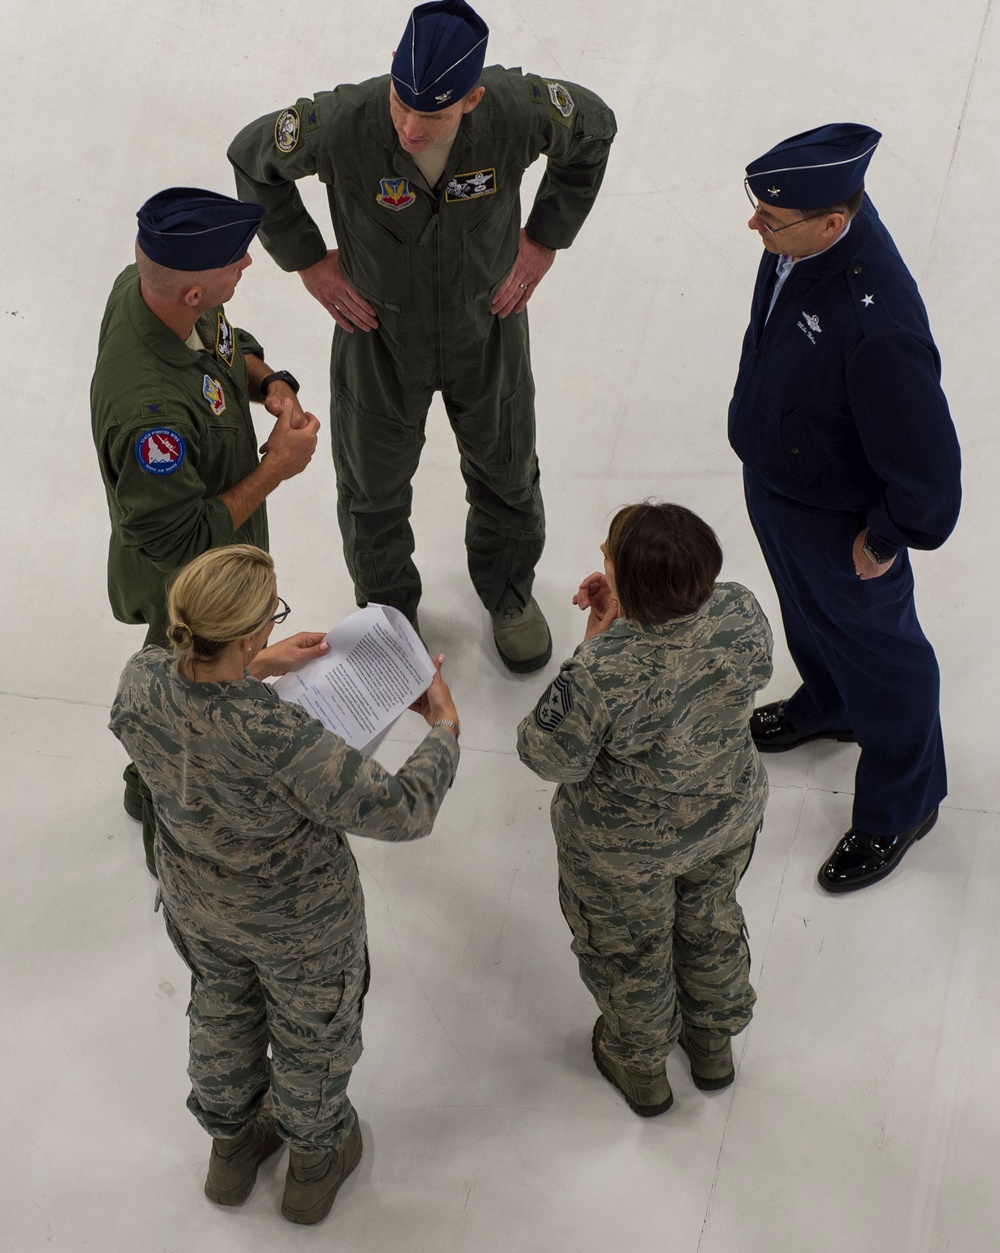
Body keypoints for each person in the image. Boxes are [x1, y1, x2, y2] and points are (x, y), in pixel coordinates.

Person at [228, 0, 617, 672]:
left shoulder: (515, 111)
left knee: (507, 476)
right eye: (402, 105)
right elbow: (252, 158)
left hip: (486, 326)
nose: (409, 127)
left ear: (471, 99)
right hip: (378, 335)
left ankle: (509, 593)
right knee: (372, 491)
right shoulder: (344, 122)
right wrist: (309, 262)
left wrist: (545, 240)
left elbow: (594, 130)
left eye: (431, 114)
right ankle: (387, 618)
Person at [109, 544, 461, 1224]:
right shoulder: (280, 736)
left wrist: (257, 666)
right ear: (246, 633)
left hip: (198, 901)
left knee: (222, 1011)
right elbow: (403, 808)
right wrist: (443, 725)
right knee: (312, 1037)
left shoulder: (139, 678)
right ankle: (313, 1165)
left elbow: (175, 712)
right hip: (300, 924)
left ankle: (232, 1150)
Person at [730, 123, 962, 893]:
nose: (755, 226)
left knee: (886, 660)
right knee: (808, 615)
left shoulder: (879, 325)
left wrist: (889, 535)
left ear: (835, 222)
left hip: (843, 523)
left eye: (770, 218)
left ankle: (904, 799)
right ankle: (832, 703)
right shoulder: (804, 237)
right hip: (785, 488)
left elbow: (931, 471)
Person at [91, 188, 321, 870]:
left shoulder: (151, 289)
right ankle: (161, 806)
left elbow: (224, 342)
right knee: (186, 691)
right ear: (189, 290)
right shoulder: (148, 418)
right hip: (190, 582)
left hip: (223, 540)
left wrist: (268, 382)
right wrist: (276, 467)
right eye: (233, 262)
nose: (247, 263)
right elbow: (181, 542)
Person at [516, 504, 772, 1116]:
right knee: (709, 920)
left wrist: (595, 646)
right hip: (726, 816)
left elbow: (545, 754)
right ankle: (711, 1044)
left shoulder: (603, 670)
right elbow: (743, 668)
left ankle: (643, 1068)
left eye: (608, 555)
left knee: (629, 951)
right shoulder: (740, 610)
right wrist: (637, 606)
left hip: (625, 852)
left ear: (626, 580)